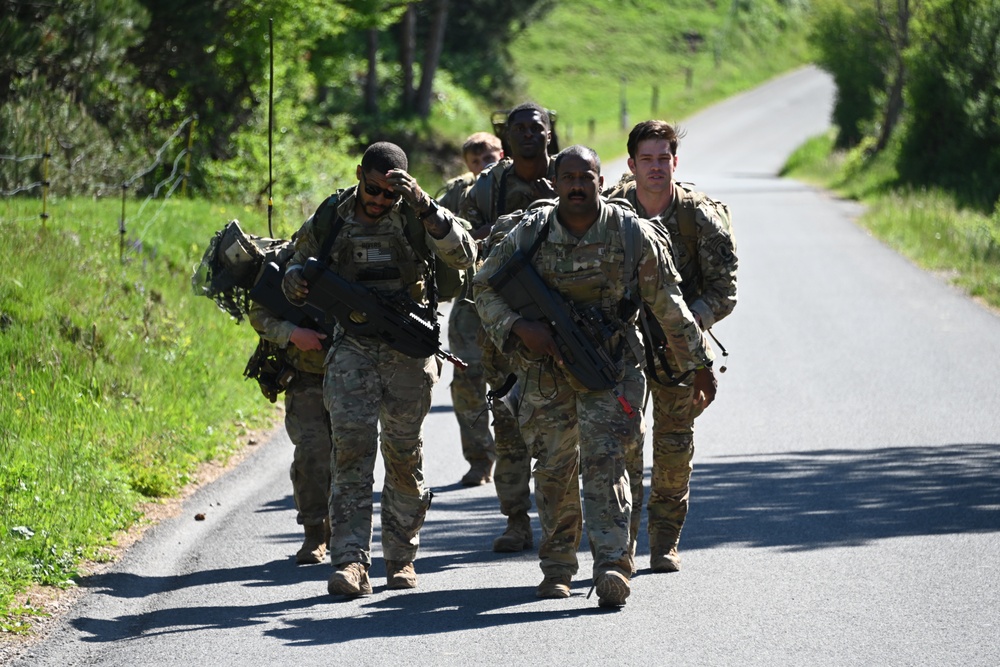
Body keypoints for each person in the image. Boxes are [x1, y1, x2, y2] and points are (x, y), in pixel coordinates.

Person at [473, 145, 717, 608]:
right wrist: (519, 328)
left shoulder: (631, 235)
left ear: (601, 182)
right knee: (553, 470)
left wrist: (699, 365)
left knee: (607, 463)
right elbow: (483, 286)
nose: (578, 186)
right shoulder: (531, 232)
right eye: (569, 178)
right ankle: (558, 568)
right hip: (546, 373)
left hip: (613, 367)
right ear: (557, 181)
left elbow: (670, 307)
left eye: (587, 177)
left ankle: (611, 565)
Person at [282, 141, 477, 597]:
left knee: (404, 456)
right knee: (350, 454)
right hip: (353, 349)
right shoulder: (333, 214)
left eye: (388, 194)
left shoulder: (416, 215)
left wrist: (426, 208)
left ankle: (402, 558)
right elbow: (295, 261)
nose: (378, 201)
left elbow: (465, 256)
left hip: (408, 351)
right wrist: (295, 282)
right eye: (372, 189)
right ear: (359, 175)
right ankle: (351, 563)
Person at [604, 120, 738, 573]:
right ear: (632, 165)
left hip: (680, 345)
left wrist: (692, 321)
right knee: (623, 444)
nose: (657, 167)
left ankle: (664, 542)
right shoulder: (612, 213)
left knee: (674, 445)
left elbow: (725, 288)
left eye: (664, 158)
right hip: (625, 346)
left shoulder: (698, 215)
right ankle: (621, 548)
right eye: (648, 159)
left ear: (675, 162)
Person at [459, 102, 558, 552]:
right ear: (507, 135)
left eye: (535, 128)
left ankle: (563, 523)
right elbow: (464, 244)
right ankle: (516, 521)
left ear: (549, 133)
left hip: (557, 323)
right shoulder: (488, 187)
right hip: (502, 328)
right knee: (508, 425)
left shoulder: (571, 175)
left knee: (561, 430)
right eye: (517, 129)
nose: (527, 135)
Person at [439, 132, 504, 487]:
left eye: (488, 158)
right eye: (475, 161)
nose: (483, 167)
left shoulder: (513, 183)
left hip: (513, 300)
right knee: (466, 383)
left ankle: (518, 457)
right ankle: (480, 459)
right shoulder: (455, 193)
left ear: (501, 154)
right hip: (469, 303)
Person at [247, 299, 332, 565]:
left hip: (355, 377)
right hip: (305, 375)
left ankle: (346, 533)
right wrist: (292, 333)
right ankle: (314, 532)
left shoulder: (354, 257)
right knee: (310, 451)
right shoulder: (290, 261)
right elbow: (259, 312)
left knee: (350, 454)